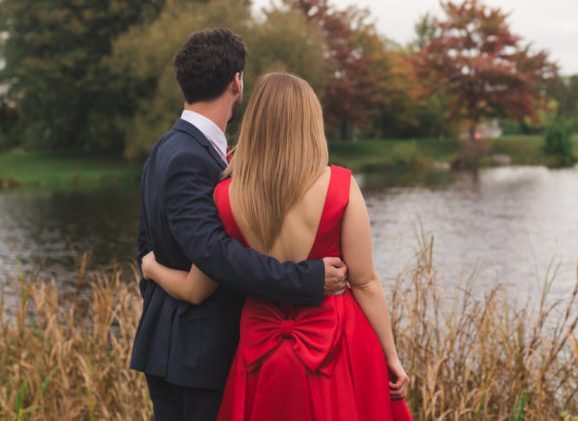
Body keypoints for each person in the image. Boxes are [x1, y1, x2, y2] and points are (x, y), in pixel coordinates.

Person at [142, 72, 412, 420]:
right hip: (335, 347)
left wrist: (151, 268)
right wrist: (390, 355)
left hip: (259, 352)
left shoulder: (225, 196)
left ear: (256, 123)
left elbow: (199, 287)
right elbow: (364, 283)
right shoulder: (341, 186)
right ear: (309, 122)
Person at [130, 29, 349, 420]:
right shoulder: (187, 157)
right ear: (236, 81)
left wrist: (152, 271)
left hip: (173, 350)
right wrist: (306, 279)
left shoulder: (166, 148)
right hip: (196, 357)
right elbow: (215, 254)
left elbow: (146, 244)